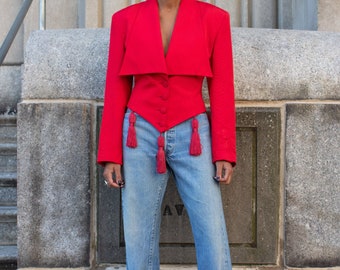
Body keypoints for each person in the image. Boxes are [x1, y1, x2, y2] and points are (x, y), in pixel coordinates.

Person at [97, 0, 236, 269]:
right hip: (139, 134)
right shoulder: (124, 19)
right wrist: (110, 154)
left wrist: (224, 152)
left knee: (211, 228)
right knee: (137, 235)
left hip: (193, 134)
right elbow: (116, 87)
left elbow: (221, 87)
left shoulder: (214, 19)